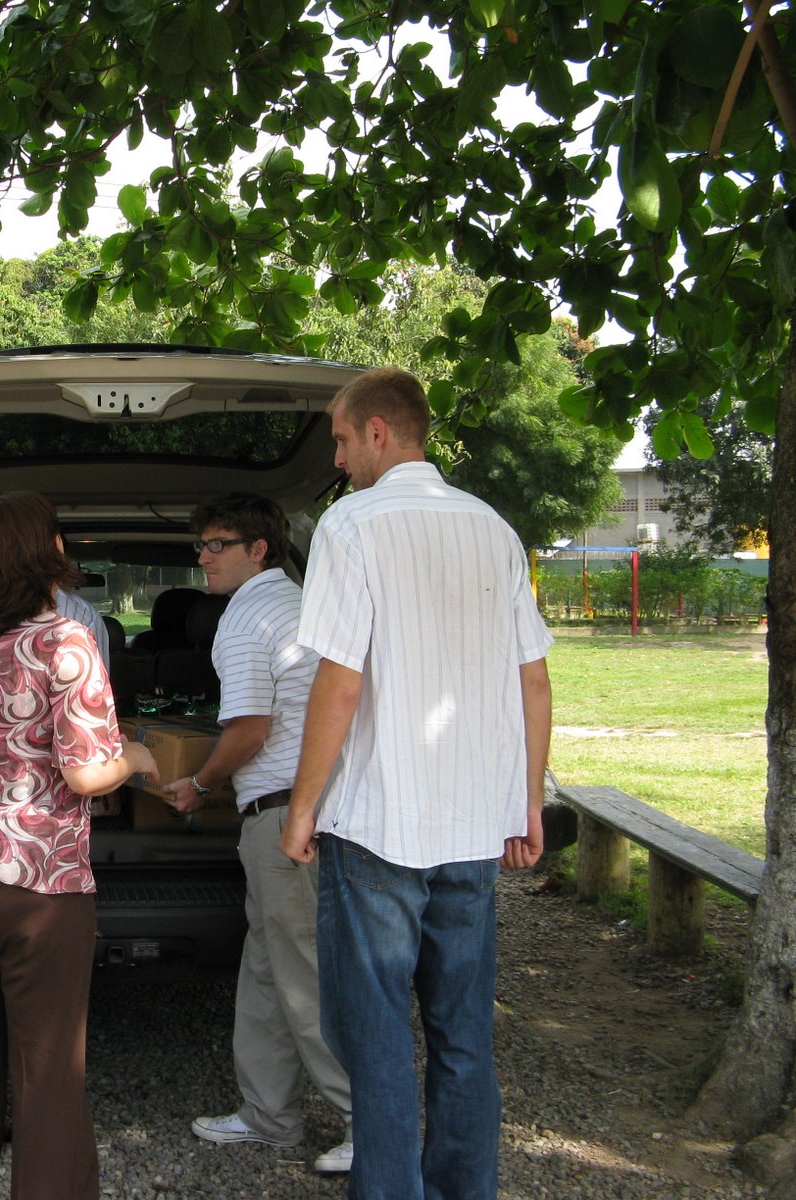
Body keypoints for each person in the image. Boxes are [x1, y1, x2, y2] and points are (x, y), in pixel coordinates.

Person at [281, 368, 554, 1200]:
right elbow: (534, 678)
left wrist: (302, 806)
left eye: (339, 439)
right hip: (473, 822)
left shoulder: (352, 524)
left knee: (373, 1041)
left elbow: (340, 679)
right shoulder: (494, 529)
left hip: (378, 821)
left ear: (377, 432)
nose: (335, 458)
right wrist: (527, 801)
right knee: (464, 1035)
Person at [0, 490, 159, 1200]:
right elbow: (85, 773)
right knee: (47, 1071)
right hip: (36, 879)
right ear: (52, 553)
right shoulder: (67, 641)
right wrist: (135, 758)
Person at [165, 493, 353, 1174]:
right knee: (269, 969)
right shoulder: (303, 605)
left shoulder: (246, 620)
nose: (204, 558)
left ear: (258, 550)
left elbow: (249, 730)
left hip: (283, 819)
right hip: (306, 812)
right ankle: (270, 1115)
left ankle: (370, 1122)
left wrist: (199, 782)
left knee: (304, 975)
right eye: (202, 545)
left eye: (218, 544)